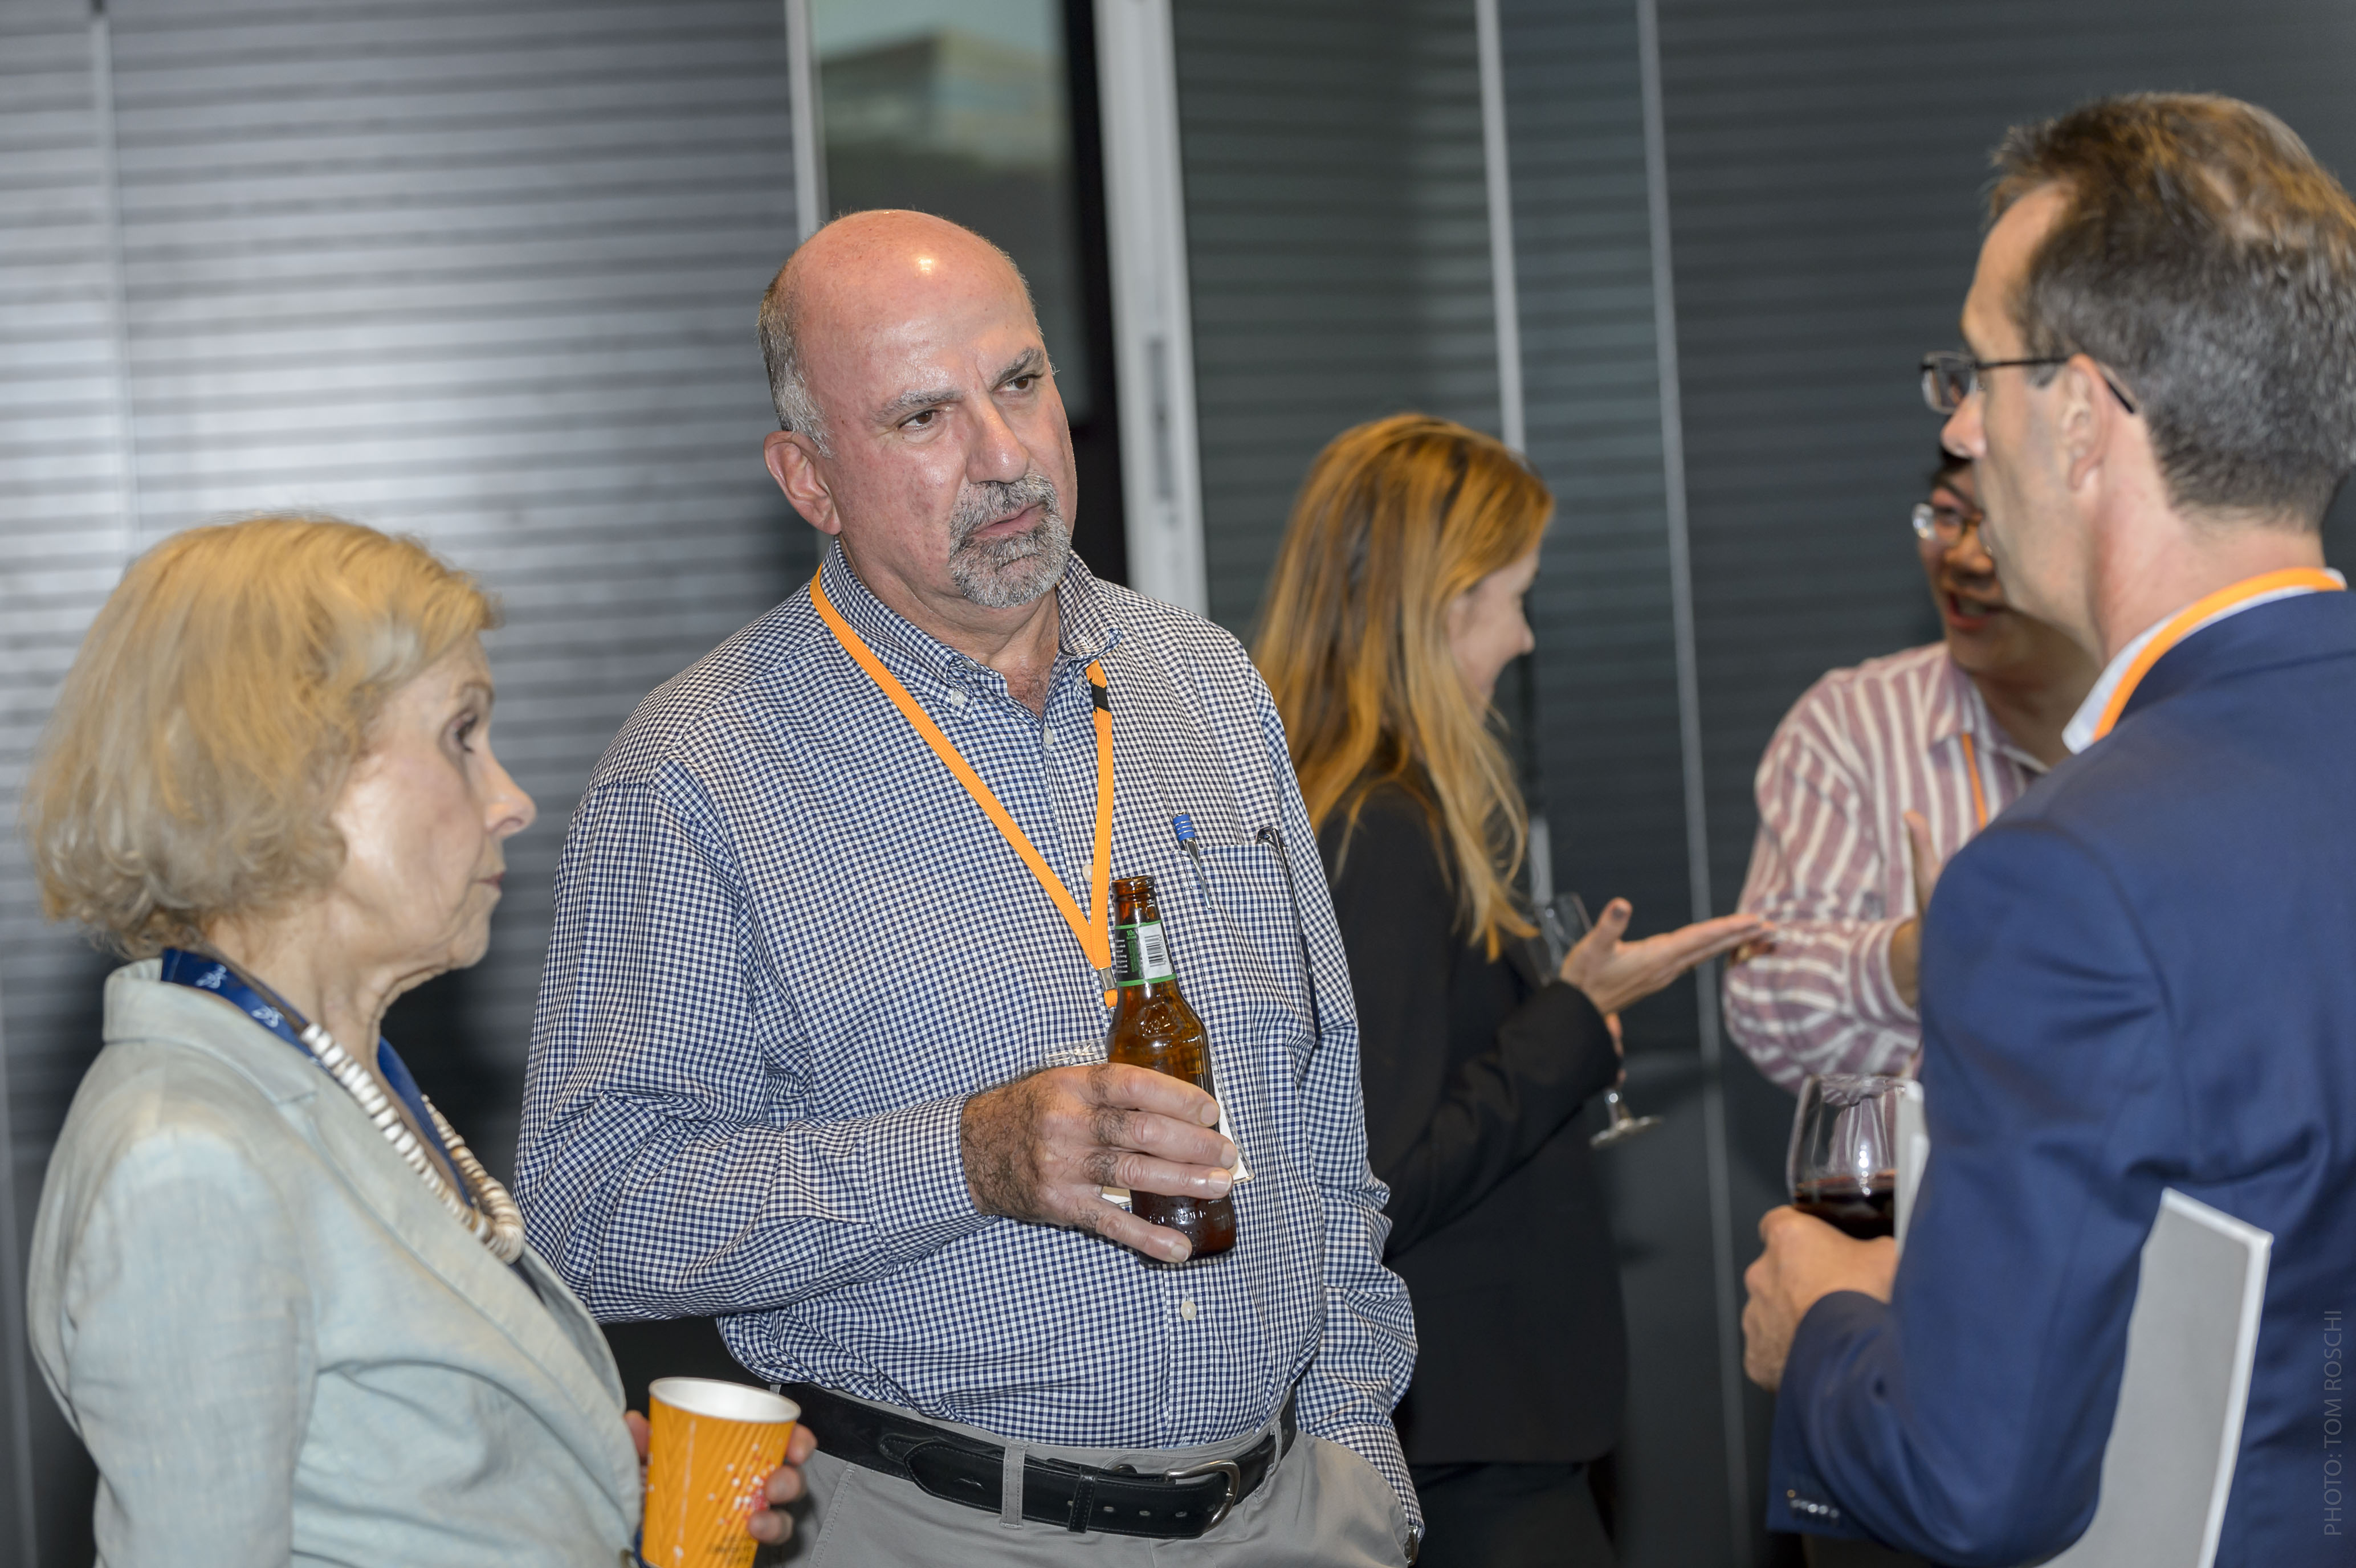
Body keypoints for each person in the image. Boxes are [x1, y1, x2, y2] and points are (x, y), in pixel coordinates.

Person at [515, 210, 1420, 1565]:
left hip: (1289, 1514)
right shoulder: (695, 772)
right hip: (943, 1525)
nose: (1004, 456)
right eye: (922, 417)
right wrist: (966, 1157)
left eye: (1019, 382)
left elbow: (1324, 1109)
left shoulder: (1206, 683)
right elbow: (594, 1209)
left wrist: (1357, 1462)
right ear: (809, 478)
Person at [1740, 93, 2356, 1567]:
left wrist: (1823, 1323)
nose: (1955, 424)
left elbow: (1977, 1481)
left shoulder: (2059, 877)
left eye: (1978, 370)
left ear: (2080, 416)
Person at [19, 516, 812, 1566]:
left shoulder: (322, 1078)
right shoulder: (186, 1161)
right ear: (293, 770)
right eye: (461, 735)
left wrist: (586, 1495)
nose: (512, 800)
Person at [1253, 415, 1764, 1566]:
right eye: (1514, 599)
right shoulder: (1384, 827)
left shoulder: (1325, 807)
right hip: (1463, 1444)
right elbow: (1377, 1175)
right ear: (1443, 605)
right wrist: (1568, 1026)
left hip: (1450, 1430)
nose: (1526, 637)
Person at [1722, 450, 2096, 1088]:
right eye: (1949, 515)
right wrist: (1910, 963)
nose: (1965, 558)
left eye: (2001, 522)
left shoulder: (2184, 720)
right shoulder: (1853, 724)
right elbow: (1760, 996)